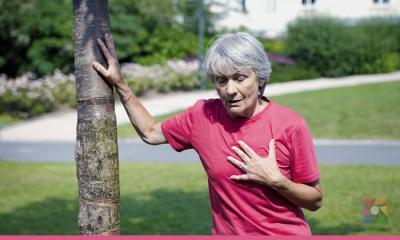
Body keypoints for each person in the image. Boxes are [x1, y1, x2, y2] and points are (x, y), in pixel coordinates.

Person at [93, 32, 323, 235]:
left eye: (240, 78)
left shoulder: (290, 124)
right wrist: (120, 84)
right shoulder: (203, 115)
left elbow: (315, 200)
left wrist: (277, 181)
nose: (231, 90)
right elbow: (150, 132)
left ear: (260, 77)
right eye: (222, 80)